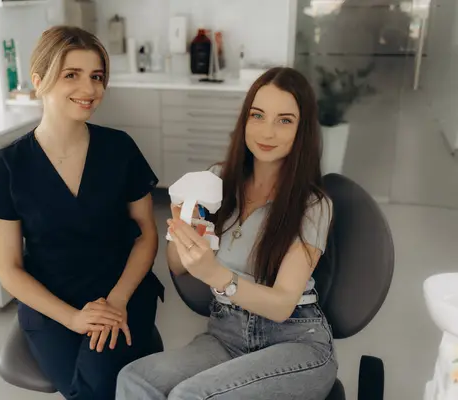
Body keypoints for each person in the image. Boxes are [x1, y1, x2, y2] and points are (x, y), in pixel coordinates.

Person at [116, 67, 337, 399]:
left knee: (189, 396)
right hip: (226, 334)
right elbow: (176, 265)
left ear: (302, 130)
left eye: (285, 120)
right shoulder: (216, 180)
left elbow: (280, 306)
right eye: (257, 115)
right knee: (134, 379)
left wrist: (217, 276)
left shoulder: (312, 205)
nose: (267, 131)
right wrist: (182, 230)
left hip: (296, 341)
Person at [0, 26, 164, 400]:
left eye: (96, 76)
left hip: (121, 288)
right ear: (39, 81)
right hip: (51, 301)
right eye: (71, 75)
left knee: (97, 385)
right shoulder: (10, 166)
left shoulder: (119, 148)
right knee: (97, 388)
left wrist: (117, 301)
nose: (90, 89)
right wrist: (73, 318)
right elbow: (8, 267)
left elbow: (146, 233)